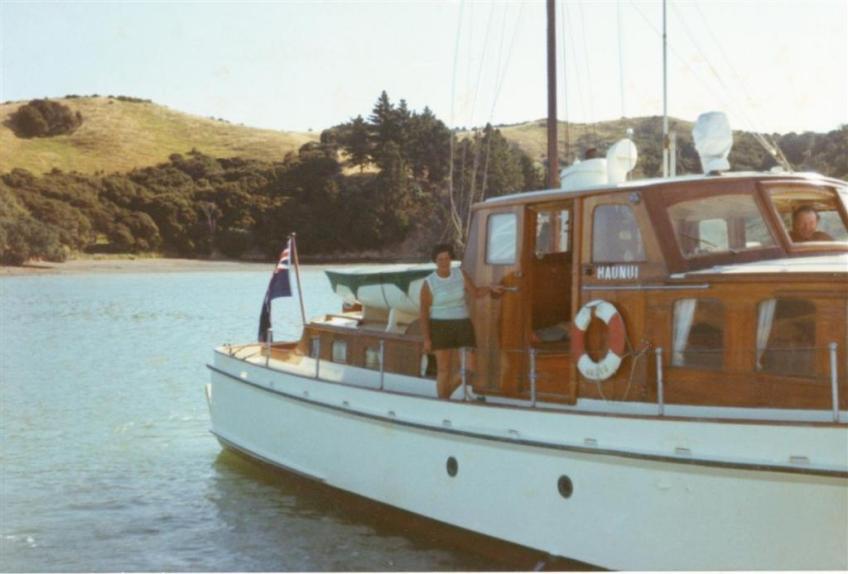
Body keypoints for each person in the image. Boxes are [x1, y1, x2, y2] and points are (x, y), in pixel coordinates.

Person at [420, 243, 502, 399]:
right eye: (440, 259)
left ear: (451, 259)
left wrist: (490, 288)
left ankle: (444, 396)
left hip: (463, 325)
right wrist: (426, 339)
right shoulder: (429, 282)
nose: (444, 262)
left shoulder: (460, 274)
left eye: (447, 258)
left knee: (469, 368)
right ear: (435, 261)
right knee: (443, 369)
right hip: (439, 327)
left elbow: (476, 293)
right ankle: (443, 402)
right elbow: (423, 313)